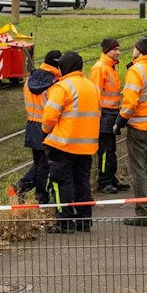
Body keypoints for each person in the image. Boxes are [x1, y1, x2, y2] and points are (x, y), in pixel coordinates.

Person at [39, 50, 102, 232]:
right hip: (87, 146)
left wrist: (45, 132)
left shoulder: (62, 87)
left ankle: (64, 222)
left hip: (63, 145)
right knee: (82, 182)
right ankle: (84, 220)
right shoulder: (92, 87)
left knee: (60, 183)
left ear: (66, 67)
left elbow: (49, 117)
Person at [120, 35, 147, 225]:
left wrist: (120, 121)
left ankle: (143, 214)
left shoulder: (136, 70)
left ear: (138, 50)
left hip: (139, 127)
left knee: (138, 170)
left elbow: (130, 102)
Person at [16, 49, 64, 202]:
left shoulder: (30, 79)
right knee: (45, 164)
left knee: (39, 162)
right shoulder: (55, 83)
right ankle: (38, 194)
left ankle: (23, 187)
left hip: (31, 125)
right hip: (46, 127)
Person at [89, 38, 124, 192]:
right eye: (115, 49)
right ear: (107, 50)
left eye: (118, 49)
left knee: (110, 149)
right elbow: (95, 94)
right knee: (105, 150)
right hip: (104, 114)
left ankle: (110, 177)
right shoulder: (100, 68)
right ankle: (104, 180)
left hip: (111, 112)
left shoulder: (111, 67)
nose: (118, 52)